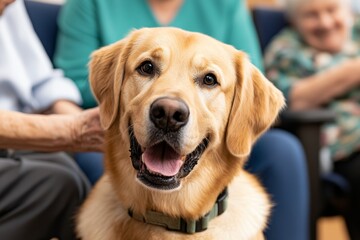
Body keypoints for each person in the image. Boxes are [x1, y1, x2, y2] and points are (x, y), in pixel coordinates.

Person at [54, 0, 309, 239]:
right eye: (147, 68)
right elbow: (73, 79)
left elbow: (249, 93)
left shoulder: (226, 4)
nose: (170, 108)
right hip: (99, 125)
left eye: (208, 79)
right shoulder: (92, 3)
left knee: (283, 149)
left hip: (212, 139)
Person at [0, 0, 104, 239]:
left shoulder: (9, 9)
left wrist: (87, 124)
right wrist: (73, 131)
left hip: (18, 132)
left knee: (74, 178)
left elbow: (42, 82)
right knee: (58, 185)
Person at [265, 0, 360, 238]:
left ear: (349, 13)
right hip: (344, 147)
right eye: (312, 15)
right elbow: (290, 99)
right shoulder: (285, 51)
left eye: (331, 10)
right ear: (294, 21)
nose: (325, 23)